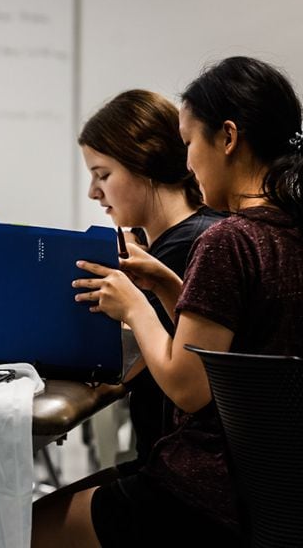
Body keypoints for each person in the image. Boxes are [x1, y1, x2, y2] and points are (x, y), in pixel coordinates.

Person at [33, 56, 303, 547]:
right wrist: (166, 286)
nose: (187, 163)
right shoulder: (284, 230)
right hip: (273, 490)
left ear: (226, 137)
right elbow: (239, 350)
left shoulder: (230, 240)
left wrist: (134, 305)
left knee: (26, 529)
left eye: (188, 143)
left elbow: (190, 387)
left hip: (208, 493)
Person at [78, 89, 224, 469]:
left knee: (27, 524)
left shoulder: (191, 245)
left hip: (176, 466)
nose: (94, 192)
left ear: (143, 164)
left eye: (103, 175)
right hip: (171, 459)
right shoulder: (174, 242)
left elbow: (128, 362)